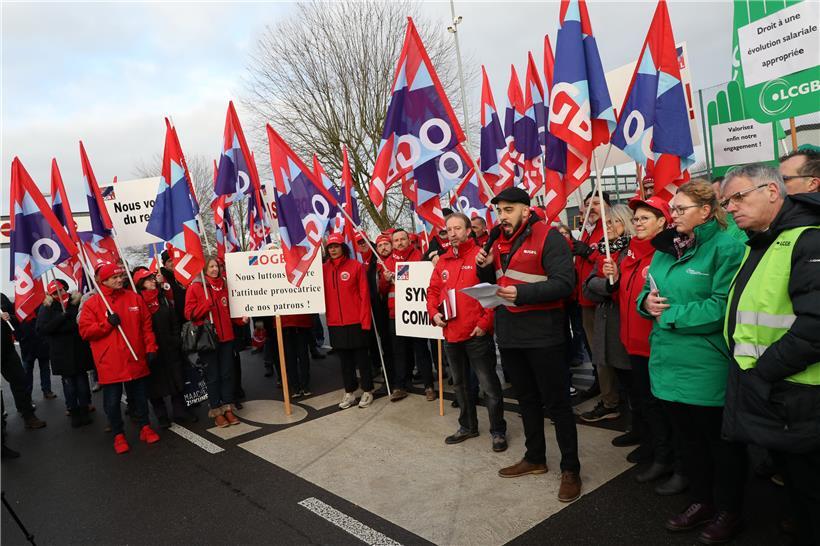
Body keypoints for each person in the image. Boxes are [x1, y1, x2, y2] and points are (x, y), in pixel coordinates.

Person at [637, 180, 747, 542]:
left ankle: (729, 509)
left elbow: (721, 307)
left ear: (706, 210)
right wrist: (646, 304)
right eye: (673, 208)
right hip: (668, 362)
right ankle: (701, 502)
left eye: (681, 209)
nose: (673, 215)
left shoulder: (726, 247)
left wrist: (667, 315)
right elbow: (647, 290)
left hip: (706, 365)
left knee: (720, 444)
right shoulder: (665, 249)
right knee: (688, 442)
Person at [720, 164, 820, 545]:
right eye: (727, 201)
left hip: (796, 393)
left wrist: (762, 373)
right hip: (778, 394)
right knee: (795, 491)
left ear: (773, 192)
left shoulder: (807, 239)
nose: (730, 208)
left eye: (739, 197)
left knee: (809, 490)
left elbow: (815, 327)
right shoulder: (764, 240)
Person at [476, 187, 581, 503]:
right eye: (499, 211)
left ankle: (571, 469)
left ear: (525, 209)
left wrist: (522, 295)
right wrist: (484, 265)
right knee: (526, 401)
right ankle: (535, 458)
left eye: (508, 210)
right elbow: (497, 280)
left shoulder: (549, 237)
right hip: (510, 335)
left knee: (558, 404)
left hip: (543, 336)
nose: (502, 217)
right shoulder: (496, 240)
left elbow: (565, 283)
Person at [608, 196, 685, 494]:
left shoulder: (666, 255)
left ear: (663, 222)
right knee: (645, 404)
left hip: (657, 345)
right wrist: (613, 281)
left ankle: (674, 461)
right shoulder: (628, 254)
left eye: (645, 218)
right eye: (636, 218)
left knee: (666, 408)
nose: (638, 223)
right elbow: (625, 298)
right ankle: (657, 452)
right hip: (633, 343)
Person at [428, 213, 506, 451]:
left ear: (468, 230)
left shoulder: (481, 256)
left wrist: (485, 324)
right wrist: (433, 313)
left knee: (489, 386)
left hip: (476, 334)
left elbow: (494, 293)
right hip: (451, 335)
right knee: (460, 385)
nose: (452, 233)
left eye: (458, 228)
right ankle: (468, 426)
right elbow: (432, 291)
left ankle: (498, 431)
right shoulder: (442, 261)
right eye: (448, 229)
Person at [78, 263, 161, 454]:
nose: (119, 280)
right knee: (112, 401)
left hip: (135, 356)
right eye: (114, 278)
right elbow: (84, 331)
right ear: (103, 281)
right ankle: (118, 434)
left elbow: (146, 326)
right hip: (110, 362)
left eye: (121, 276)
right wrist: (106, 324)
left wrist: (150, 347)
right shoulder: (93, 303)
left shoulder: (134, 298)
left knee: (139, 396)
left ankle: (145, 426)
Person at [580, 205, 635, 423]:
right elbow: (588, 285)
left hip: (621, 319)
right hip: (605, 317)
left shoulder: (629, 251)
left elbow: (625, 286)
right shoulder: (606, 250)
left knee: (629, 375)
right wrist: (607, 287)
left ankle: (634, 419)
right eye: (607, 223)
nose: (608, 227)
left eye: (614, 222)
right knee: (612, 368)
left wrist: (608, 285)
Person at [185, 256, 247, 428]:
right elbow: (189, 314)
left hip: (227, 338)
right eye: (211, 266)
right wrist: (205, 305)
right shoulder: (197, 287)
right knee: (212, 377)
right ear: (204, 268)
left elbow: (231, 309)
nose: (215, 269)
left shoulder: (225, 285)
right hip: (208, 340)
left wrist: (242, 320)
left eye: (217, 266)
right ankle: (216, 410)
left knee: (227, 374)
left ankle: (228, 407)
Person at [380, 228, 436, 402]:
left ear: (408, 240)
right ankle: (400, 385)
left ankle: (429, 386)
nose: (399, 243)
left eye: (402, 239)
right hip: (395, 314)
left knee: (421, 349)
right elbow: (382, 291)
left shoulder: (420, 257)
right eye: (395, 240)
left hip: (416, 313)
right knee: (399, 351)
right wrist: (384, 279)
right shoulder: (388, 262)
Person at [133, 269, 195, 427]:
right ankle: (161, 416)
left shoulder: (163, 298)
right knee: (154, 383)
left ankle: (180, 412)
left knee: (176, 378)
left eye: (153, 278)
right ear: (140, 284)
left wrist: (175, 338)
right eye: (148, 280)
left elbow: (173, 319)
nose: (153, 281)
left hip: (169, 346)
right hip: (151, 349)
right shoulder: (136, 302)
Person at [323, 233, 374, 409]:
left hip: (356, 321)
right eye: (330, 247)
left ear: (343, 247)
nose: (333, 249)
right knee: (345, 361)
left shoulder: (356, 266)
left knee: (362, 358)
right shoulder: (323, 269)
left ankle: (367, 390)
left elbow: (364, 295)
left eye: (336, 246)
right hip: (335, 323)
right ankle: (350, 392)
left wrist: (365, 321)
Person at [36, 280, 94, 428]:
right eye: (55, 292)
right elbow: (43, 329)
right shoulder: (46, 307)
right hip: (61, 353)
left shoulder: (76, 302)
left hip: (79, 349)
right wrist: (61, 318)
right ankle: (73, 411)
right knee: (69, 384)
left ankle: (85, 408)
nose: (59, 294)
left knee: (82, 382)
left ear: (65, 289)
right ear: (50, 294)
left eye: (61, 291)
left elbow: (80, 323)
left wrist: (64, 324)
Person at [574, 191, 614, 402]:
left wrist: (589, 253)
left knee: (602, 352)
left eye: (596, 203)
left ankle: (610, 396)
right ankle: (600, 385)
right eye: (588, 204)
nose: (592, 208)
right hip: (584, 301)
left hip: (600, 301)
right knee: (594, 351)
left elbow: (609, 261)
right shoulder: (588, 232)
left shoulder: (608, 230)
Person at [1, 293, 47, 433]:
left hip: (7, 350)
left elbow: (16, 318)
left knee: (20, 381)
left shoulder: (1, 298)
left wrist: (9, 318)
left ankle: (28, 415)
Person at [17, 302, 56, 401]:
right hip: (27, 345)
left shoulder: (41, 305)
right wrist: (20, 337)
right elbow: (15, 325)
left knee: (45, 368)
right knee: (27, 372)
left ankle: (47, 390)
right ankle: (27, 396)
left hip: (41, 343)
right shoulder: (18, 306)